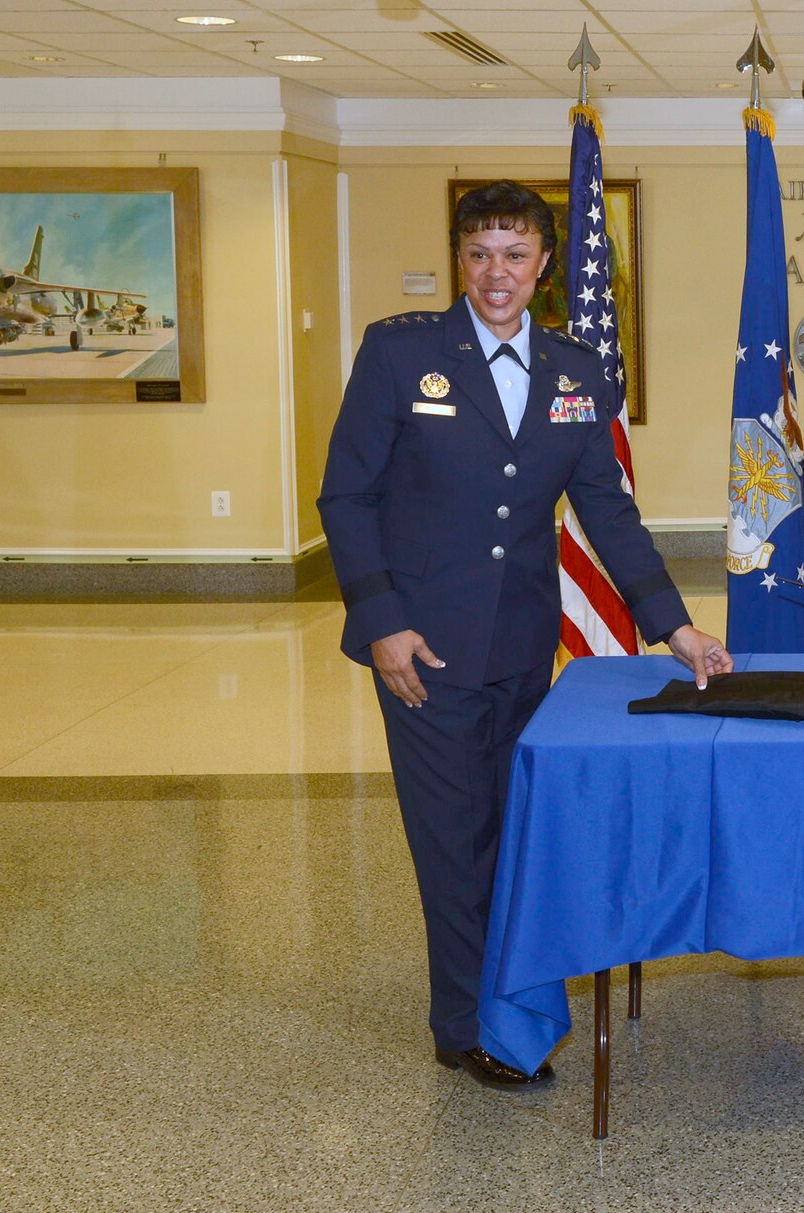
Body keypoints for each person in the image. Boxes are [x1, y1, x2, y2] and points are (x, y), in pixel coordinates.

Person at [319, 180, 730, 1091]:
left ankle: (508, 996)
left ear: (545, 265)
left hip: (522, 649)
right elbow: (345, 496)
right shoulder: (402, 355)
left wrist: (675, 625)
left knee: (512, 834)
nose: (494, 273)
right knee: (451, 840)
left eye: (513, 254)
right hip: (422, 650)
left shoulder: (577, 372)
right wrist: (381, 622)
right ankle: (463, 1025)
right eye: (478, 253)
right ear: (460, 260)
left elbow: (607, 513)